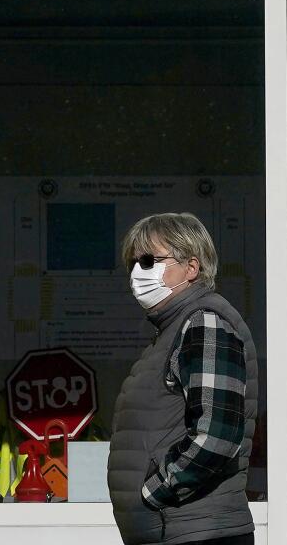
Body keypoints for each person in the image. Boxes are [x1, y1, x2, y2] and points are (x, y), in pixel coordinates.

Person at [108, 212, 258, 545]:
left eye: (149, 261)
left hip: (197, 532)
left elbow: (217, 436)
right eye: (132, 264)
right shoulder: (172, 330)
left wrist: (154, 492)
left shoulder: (205, 323)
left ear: (191, 268)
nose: (137, 273)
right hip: (176, 531)